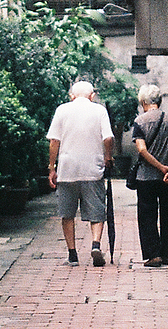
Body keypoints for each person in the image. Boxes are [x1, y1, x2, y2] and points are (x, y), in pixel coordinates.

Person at [47, 80, 114, 267]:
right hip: (93, 169)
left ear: (72, 96)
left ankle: (72, 254)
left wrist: (52, 167)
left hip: (67, 169)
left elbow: (54, 141)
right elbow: (108, 138)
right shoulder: (99, 110)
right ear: (92, 96)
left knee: (67, 213)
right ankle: (95, 245)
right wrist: (108, 157)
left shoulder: (62, 110)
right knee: (97, 211)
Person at [131, 84, 168, 267]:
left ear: (143, 102)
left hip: (146, 177)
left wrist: (160, 167)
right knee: (167, 213)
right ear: (159, 101)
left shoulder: (140, 122)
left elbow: (141, 149)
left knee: (147, 214)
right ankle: (167, 254)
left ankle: (153, 255)